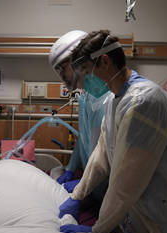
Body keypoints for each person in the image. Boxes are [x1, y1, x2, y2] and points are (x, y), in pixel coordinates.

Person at [58, 30, 167, 233]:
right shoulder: (114, 100)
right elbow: (101, 155)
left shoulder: (144, 103)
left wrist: (97, 229)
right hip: (143, 216)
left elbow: (125, 181)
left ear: (105, 61)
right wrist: (77, 196)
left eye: (87, 73)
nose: (84, 83)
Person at [49, 30, 111, 207]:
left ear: (81, 60)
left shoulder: (111, 101)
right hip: (93, 190)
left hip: (108, 191)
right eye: (57, 70)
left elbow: (112, 162)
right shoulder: (86, 97)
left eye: (63, 67)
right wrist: (69, 169)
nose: (61, 75)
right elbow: (83, 139)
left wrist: (84, 186)